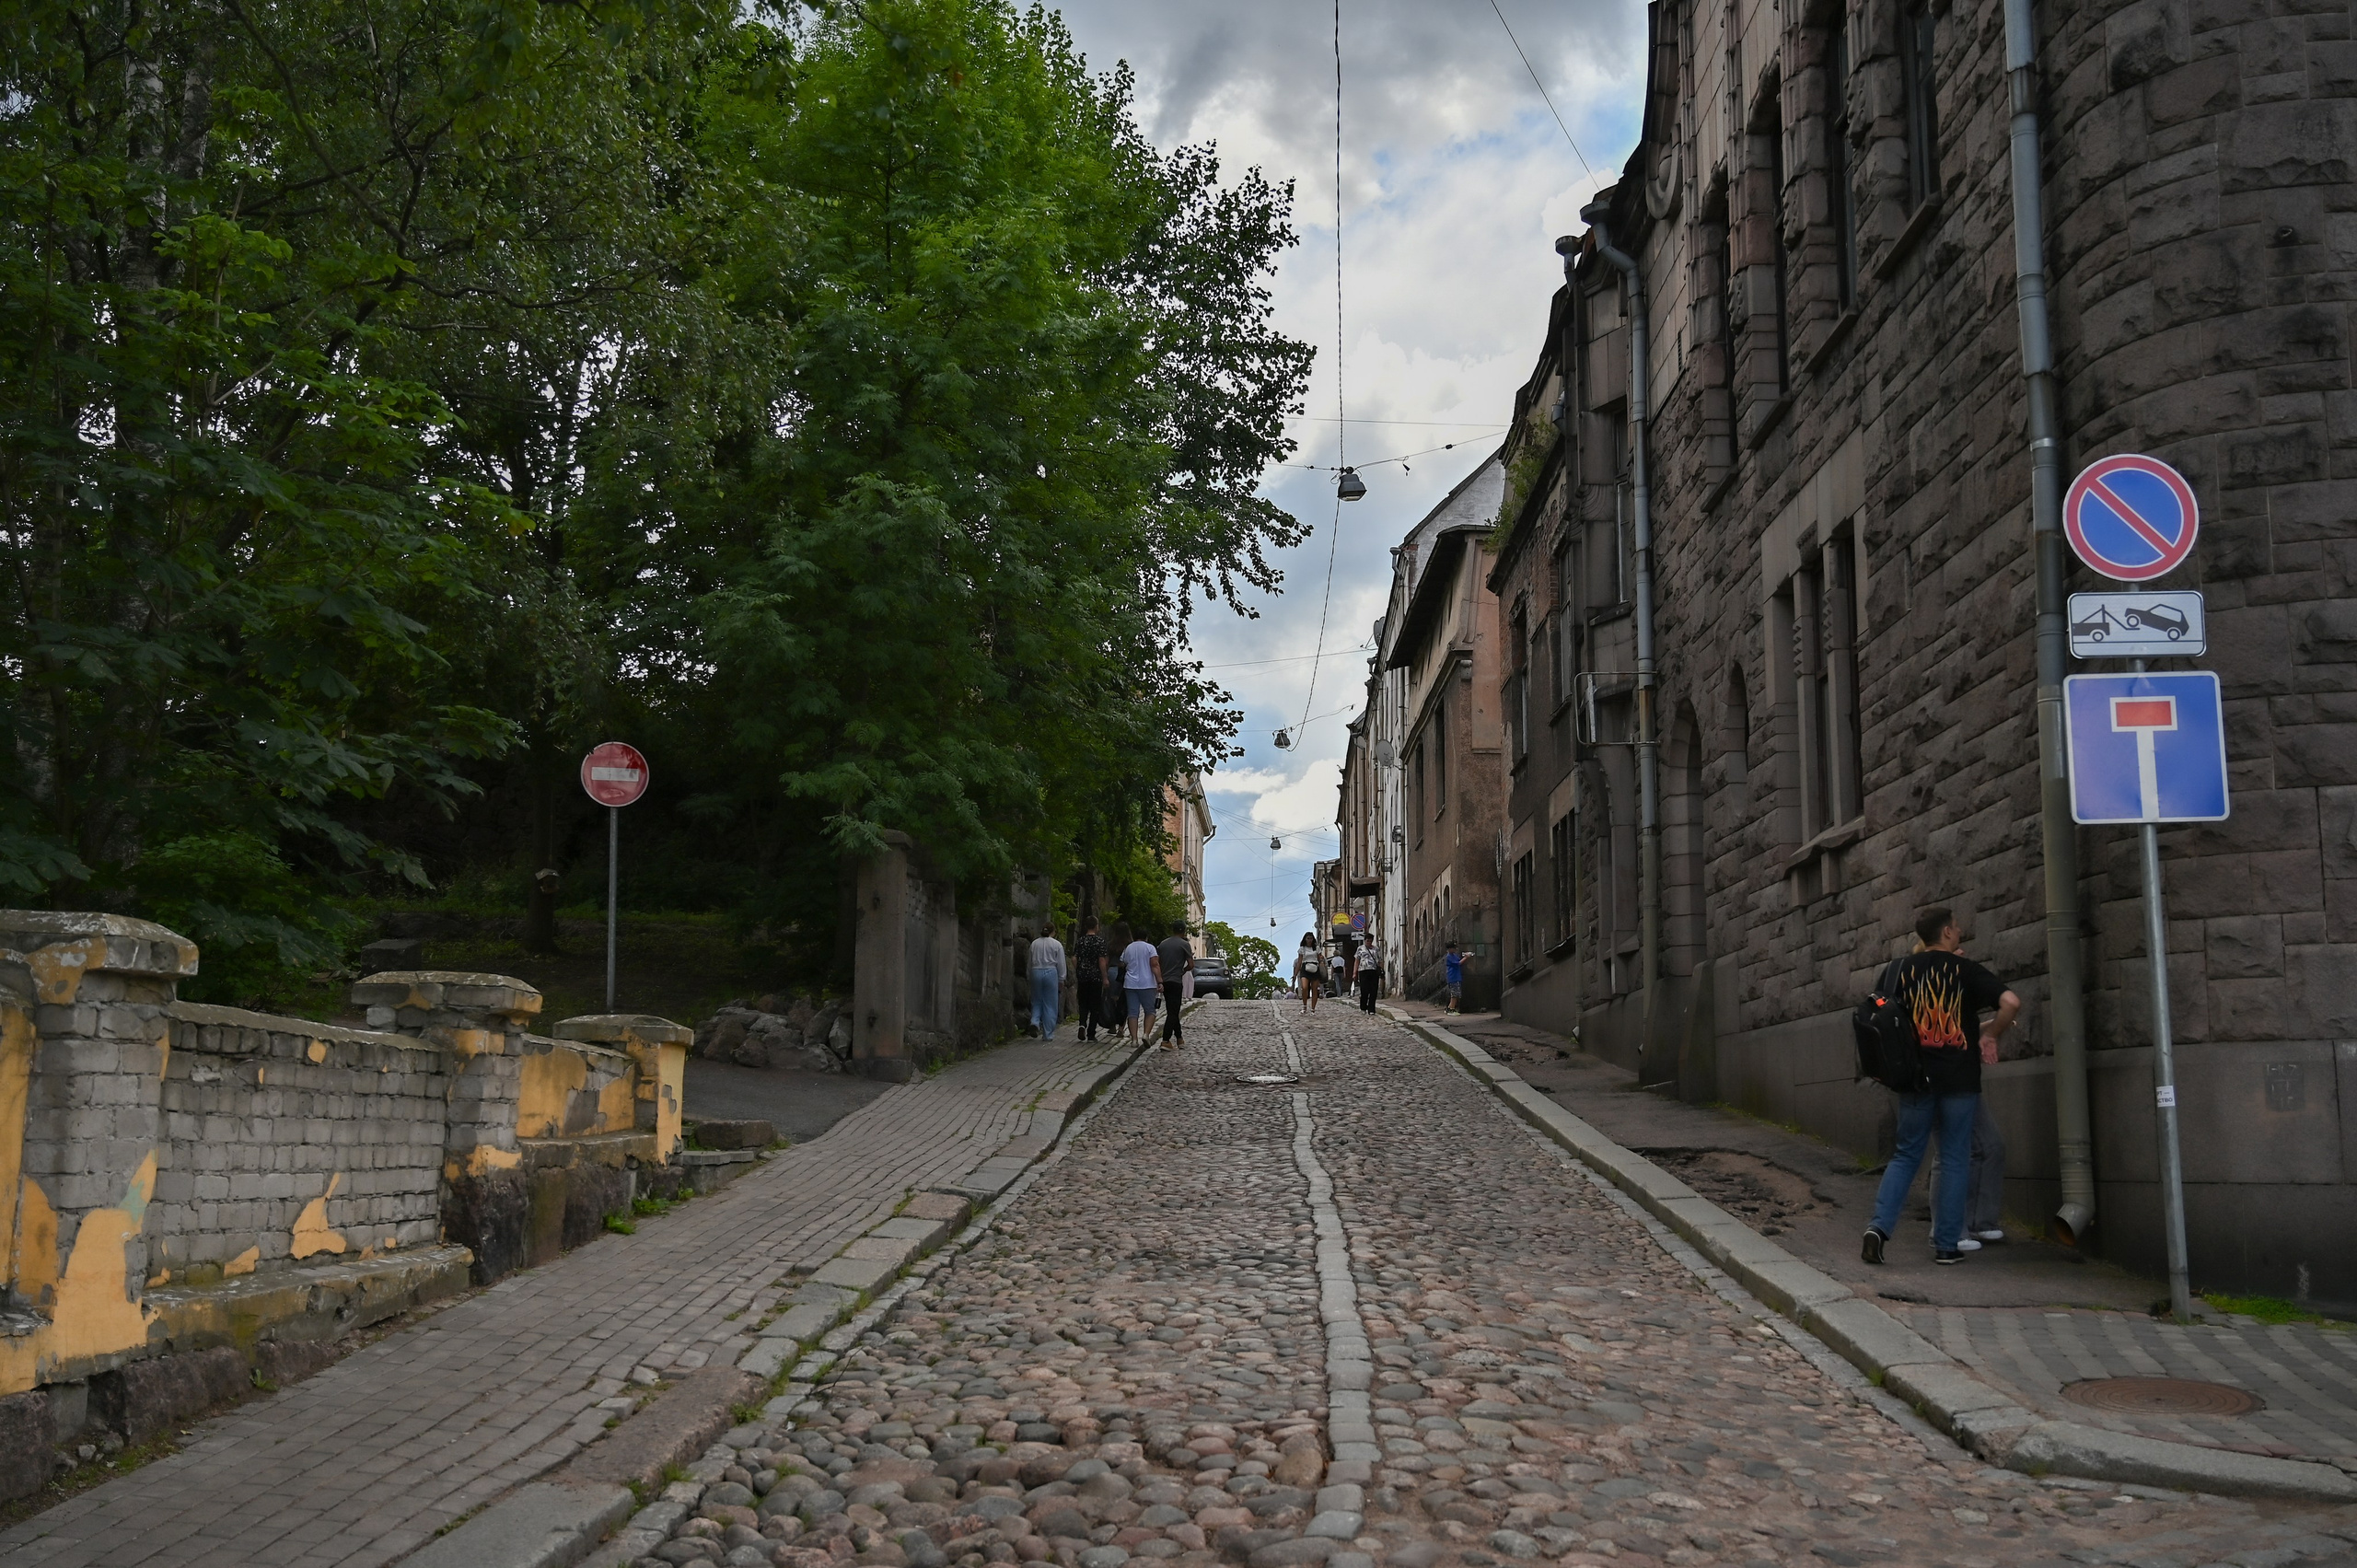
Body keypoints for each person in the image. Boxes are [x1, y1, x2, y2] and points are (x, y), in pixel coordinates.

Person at [1862, 907, 2021, 1266]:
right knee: (1954, 1158)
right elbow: (2010, 1002)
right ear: (1947, 933)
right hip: (1959, 1079)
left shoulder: (1897, 970)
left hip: (1915, 1078)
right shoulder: (1965, 970)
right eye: (1958, 927)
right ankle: (1947, 1246)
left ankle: (1878, 1230)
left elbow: (1879, 1016)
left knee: (1905, 1156)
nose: (1960, 931)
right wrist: (1991, 1034)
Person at [1117, 921, 1162, 1042]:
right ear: (1146, 937)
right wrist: (1160, 981)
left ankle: (1134, 1039)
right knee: (1150, 1010)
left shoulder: (1128, 948)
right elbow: (1154, 965)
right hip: (1147, 983)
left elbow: (1122, 963)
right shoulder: (1150, 948)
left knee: (1132, 1012)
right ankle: (1146, 1034)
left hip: (1130, 983)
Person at [1156, 922, 1194, 1050]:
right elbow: (1191, 965)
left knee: (1172, 1010)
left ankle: (1179, 1039)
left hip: (1165, 981)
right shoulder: (1184, 945)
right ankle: (1165, 1040)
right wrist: (1183, 970)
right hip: (1176, 981)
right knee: (1173, 1012)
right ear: (1184, 931)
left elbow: (1158, 962)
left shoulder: (1163, 944)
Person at [1028, 923, 1066, 1040]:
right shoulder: (1056, 944)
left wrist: (1029, 975)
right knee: (1050, 1003)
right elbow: (1061, 963)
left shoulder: (1034, 943)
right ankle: (1048, 1034)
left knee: (1036, 1000)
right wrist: (1062, 978)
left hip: (1035, 971)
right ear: (1053, 932)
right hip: (1050, 972)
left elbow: (1029, 962)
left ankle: (1034, 1021)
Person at [1071, 917, 1107, 1043]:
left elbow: (1074, 958)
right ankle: (1091, 1034)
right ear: (1096, 926)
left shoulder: (1081, 941)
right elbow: (1102, 960)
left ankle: (1082, 1024)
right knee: (1095, 1006)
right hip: (1095, 977)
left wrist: (1078, 969)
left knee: (1083, 1003)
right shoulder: (1099, 941)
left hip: (1083, 976)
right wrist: (1105, 977)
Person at [1295, 932, 1321, 1012]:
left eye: (1311, 938)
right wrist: (1295, 974)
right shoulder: (1302, 949)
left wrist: (1322, 965)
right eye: (1308, 938)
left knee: (1314, 989)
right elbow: (1299, 962)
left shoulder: (1317, 948)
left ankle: (1313, 1008)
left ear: (1313, 939)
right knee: (1304, 987)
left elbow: (1320, 959)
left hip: (1315, 968)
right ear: (1305, 939)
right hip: (1305, 968)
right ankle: (1304, 1006)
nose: (1309, 940)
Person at [1357, 947, 1381, 1012]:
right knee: (1364, 990)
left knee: (1374, 990)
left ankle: (1371, 1009)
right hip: (1363, 970)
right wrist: (1355, 972)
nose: (1369, 942)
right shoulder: (1360, 949)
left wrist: (1381, 970)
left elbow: (1379, 960)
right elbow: (1357, 960)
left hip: (1374, 971)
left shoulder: (1376, 949)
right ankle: (1363, 1007)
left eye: (1370, 941)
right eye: (1368, 941)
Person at [1443, 941, 1464, 1012]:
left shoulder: (1454, 955)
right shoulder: (1449, 956)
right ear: (1450, 949)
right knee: (1454, 994)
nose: (1455, 949)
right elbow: (1458, 963)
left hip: (1456, 976)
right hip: (1453, 977)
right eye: (1453, 948)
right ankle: (1452, 1008)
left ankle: (1449, 1007)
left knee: (1456, 993)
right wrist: (1466, 957)